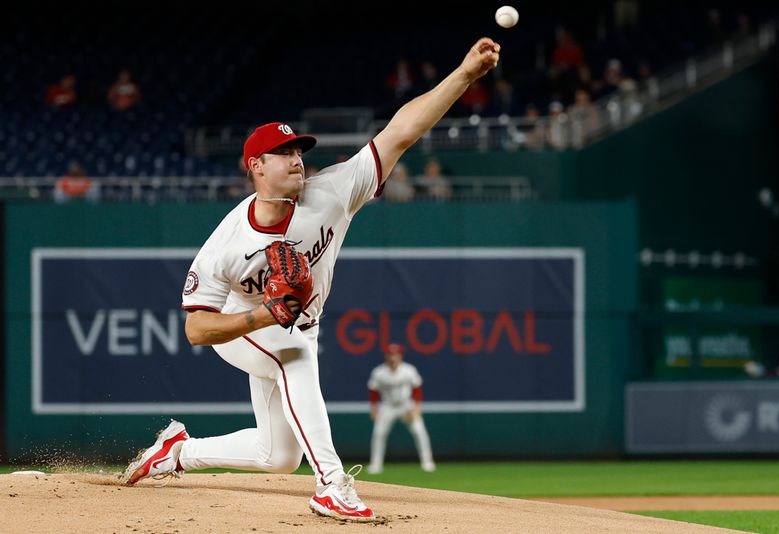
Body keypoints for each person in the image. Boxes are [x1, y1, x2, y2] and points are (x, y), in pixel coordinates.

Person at [120, 37, 501, 523]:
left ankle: (177, 452)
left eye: (298, 149)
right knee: (294, 353)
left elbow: (400, 131)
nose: (296, 158)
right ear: (255, 166)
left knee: (277, 456)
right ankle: (331, 485)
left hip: (294, 324)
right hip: (242, 324)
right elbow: (196, 330)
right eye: (282, 153)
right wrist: (264, 314)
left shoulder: (333, 192)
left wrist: (465, 74)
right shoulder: (228, 244)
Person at [367, 343, 435, 474]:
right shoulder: (379, 372)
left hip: (406, 405)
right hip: (388, 406)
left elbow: (417, 389)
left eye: (395, 355)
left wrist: (416, 407)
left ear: (400, 356)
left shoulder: (409, 370)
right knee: (379, 433)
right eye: (390, 355)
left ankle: (427, 462)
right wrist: (374, 409)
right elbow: (373, 391)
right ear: (386, 356)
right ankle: (376, 465)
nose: (393, 358)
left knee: (419, 431)